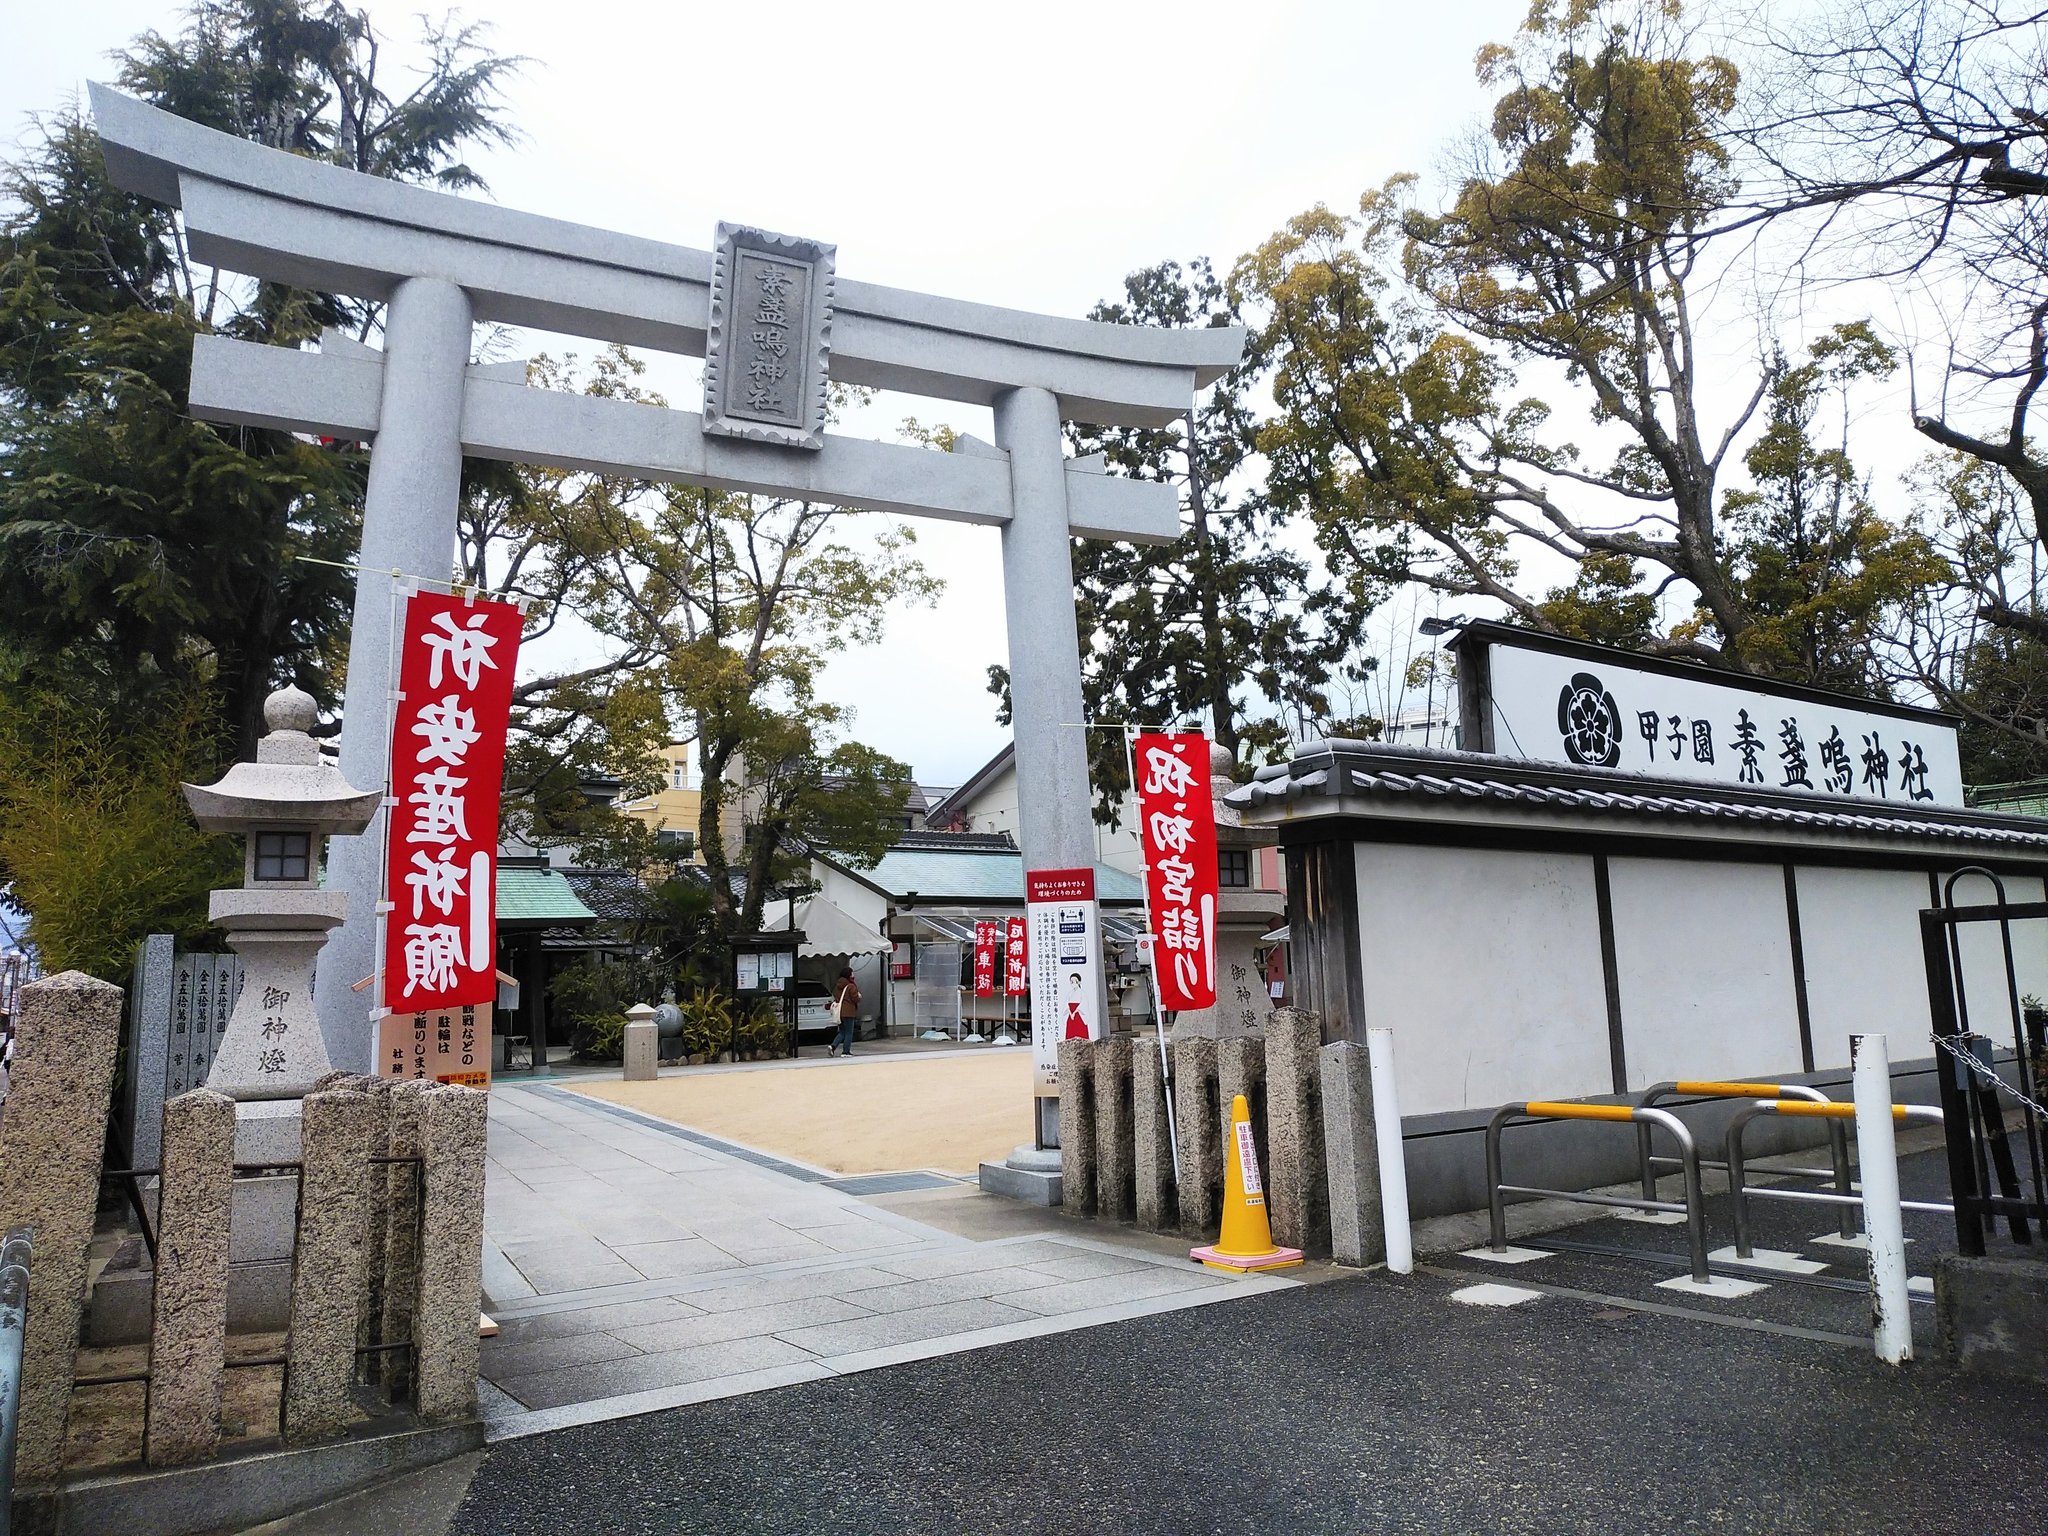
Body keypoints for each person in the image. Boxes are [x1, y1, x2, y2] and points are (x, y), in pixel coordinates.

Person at [829, 967, 861, 1057]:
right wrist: (859, 996)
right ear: (849, 975)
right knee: (849, 1032)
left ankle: (833, 1046)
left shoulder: (838, 985)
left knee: (842, 1031)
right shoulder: (850, 986)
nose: (853, 974)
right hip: (849, 1012)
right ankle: (846, 1051)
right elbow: (855, 998)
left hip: (840, 1012)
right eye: (852, 973)